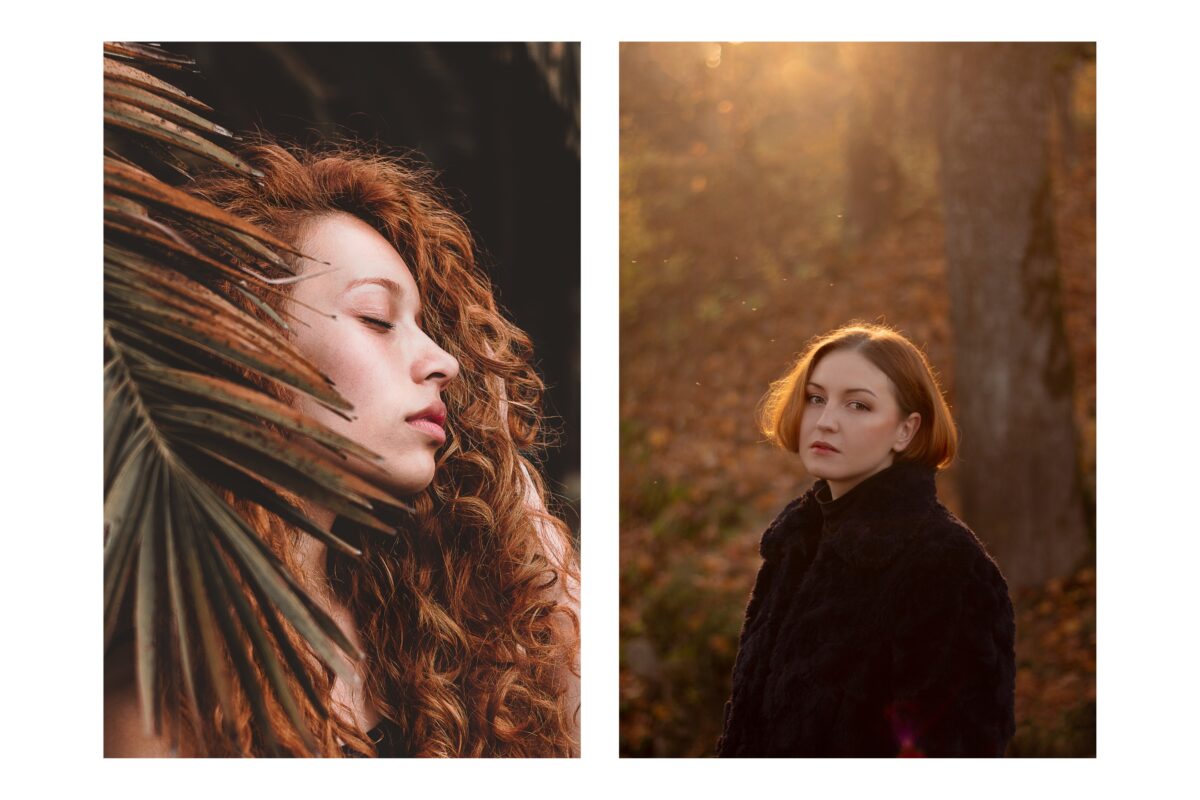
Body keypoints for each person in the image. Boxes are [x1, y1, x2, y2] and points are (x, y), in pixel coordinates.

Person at [104, 141, 580, 757]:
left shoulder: (437, 629)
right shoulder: (157, 686)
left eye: (426, 329)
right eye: (379, 319)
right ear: (244, 350)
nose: (445, 362)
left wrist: (508, 485)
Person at [717, 322, 1015, 757]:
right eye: (816, 398)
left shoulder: (945, 564)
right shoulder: (796, 546)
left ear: (906, 430)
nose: (826, 421)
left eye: (858, 406)